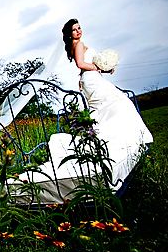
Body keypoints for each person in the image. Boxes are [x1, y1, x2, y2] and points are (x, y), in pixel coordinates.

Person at [61, 18, 153, 184]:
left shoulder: (78, 44)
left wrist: (102, 69)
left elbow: (83, 66)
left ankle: (105, 144)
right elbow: (80, 63)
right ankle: (119, 145)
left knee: (106, 110)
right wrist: (99, 67)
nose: (78, 31)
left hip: (91, 79)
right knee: (120, 103)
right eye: (74, 30)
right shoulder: (79, 45)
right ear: (69, 34)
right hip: (92, 79)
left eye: (79, 28)